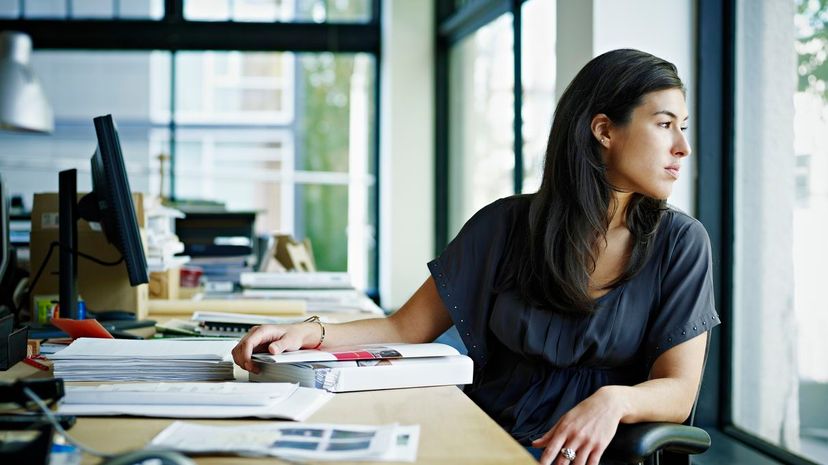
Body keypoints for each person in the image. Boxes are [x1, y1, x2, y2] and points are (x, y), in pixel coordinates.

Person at [233, 49, 720, 465]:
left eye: (683, 127)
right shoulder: (505, 226)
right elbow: (405, 328)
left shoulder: (681, 243)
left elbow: (678, 391)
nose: (684, 146)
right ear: (603, 130)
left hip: (591, 451)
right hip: (479, 433)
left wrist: (614, 401)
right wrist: (310, 333)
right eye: (664, 125)